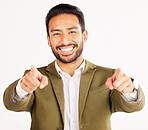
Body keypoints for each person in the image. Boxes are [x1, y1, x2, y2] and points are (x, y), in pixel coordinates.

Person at [3, 3, 145, 130]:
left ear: (84, 35)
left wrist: (129, 90)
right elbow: (11, 104)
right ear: (48, 40)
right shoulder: (35, 78)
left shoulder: (108, 77)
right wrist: (22, 88)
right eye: (57, 33)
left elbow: (135, 106)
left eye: (72, 32)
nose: (64, 41)